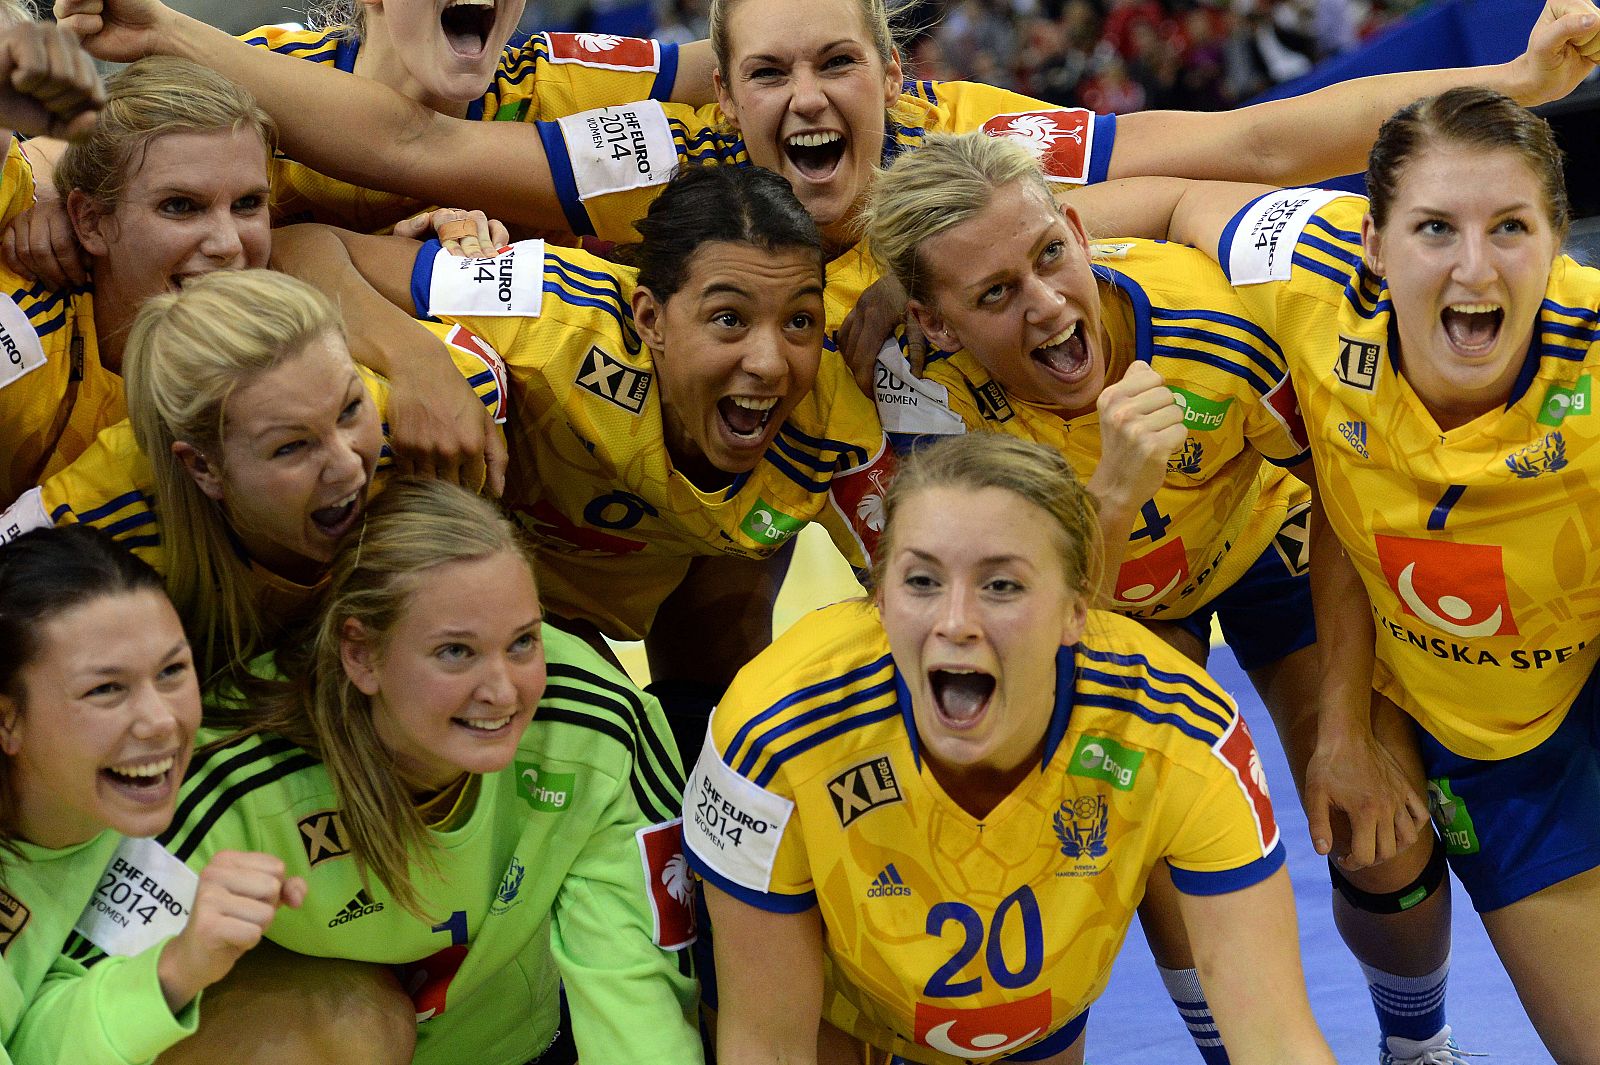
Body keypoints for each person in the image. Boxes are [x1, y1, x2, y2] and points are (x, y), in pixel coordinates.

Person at [46, 0, 1600, 364]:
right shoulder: (661, 151)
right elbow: (412, 155)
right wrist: (154, 31)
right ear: (722, 86)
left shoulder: (964, 137)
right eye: (767, 69)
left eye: (834, 64)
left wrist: (1513, 87)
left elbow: (1262, 142)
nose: (804, 96)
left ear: (890, 72)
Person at [859, 131, 1451, 1065]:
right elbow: (1015, 631)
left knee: (1378, 827)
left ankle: (1421, 1046)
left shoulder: (1218, 321)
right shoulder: (922, 399)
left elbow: (1347, 500)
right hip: (1102, 595)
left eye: (1051, 256)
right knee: (1156, 832)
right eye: (995, 294)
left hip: (1269, 538)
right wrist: (1111, 500)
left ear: (1081, 233)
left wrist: (1343, 732)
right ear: (937, 325)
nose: (1050, 305)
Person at [1055, 85, 1600, 1063]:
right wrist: (919, 263)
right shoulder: (1305, 274)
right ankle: (1415, 1045)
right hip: (1506, 741)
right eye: (1433, 228)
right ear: (1370, 245)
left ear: (1557, 241)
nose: (1472, 268)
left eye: (1510, 227)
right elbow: (1177, 200)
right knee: (1369, 832)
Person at [684, 432, 1335, 1064]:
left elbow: (1277, 1041)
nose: (955, 621)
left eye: (1001, 585)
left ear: (1077, 610)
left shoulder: (1179, 731)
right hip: (837, 1004)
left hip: (1036, 1011)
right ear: (878, 598)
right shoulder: (774, 728)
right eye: (921, 581)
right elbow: (767, 1047)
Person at [271, 163, 888, 756]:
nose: (770, 362)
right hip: (443, 600)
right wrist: (416, 364)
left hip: (594, 630)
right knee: (422, 395)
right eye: (728, 319)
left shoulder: (842, 416)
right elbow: (298, 249)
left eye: (800, 321)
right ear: (650, 318)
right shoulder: (552, 311)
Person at [147, 477, 701, 1065]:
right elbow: (81, 999)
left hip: (511, 1047)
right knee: (359, 1023)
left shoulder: (592, 723)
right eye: (455, 652)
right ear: (359, 653)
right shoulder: (227, 775)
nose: (502, 692)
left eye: (523, 642)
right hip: (321, 1038)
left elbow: (637, 1002)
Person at [0, 56, 504, 510]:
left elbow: (296, 246)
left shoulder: (324, 377)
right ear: (88, 221)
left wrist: (419, 359)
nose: (227, 244)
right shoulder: (28, 336)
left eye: (248, 205)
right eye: (179, 206)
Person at [0, 268, 506, 688]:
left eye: (350, 409)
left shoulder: (429, 426)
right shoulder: (88, 520)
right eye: (292, 446)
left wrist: (420, 360)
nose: (349, 464)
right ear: (202, 467)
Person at [0, 524, 303, 1063]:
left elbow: (31, 1040)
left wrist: (177, 968)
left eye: (171, 671)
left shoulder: (103, 808)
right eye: (106, 689)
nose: (162, 721)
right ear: (7, 720)